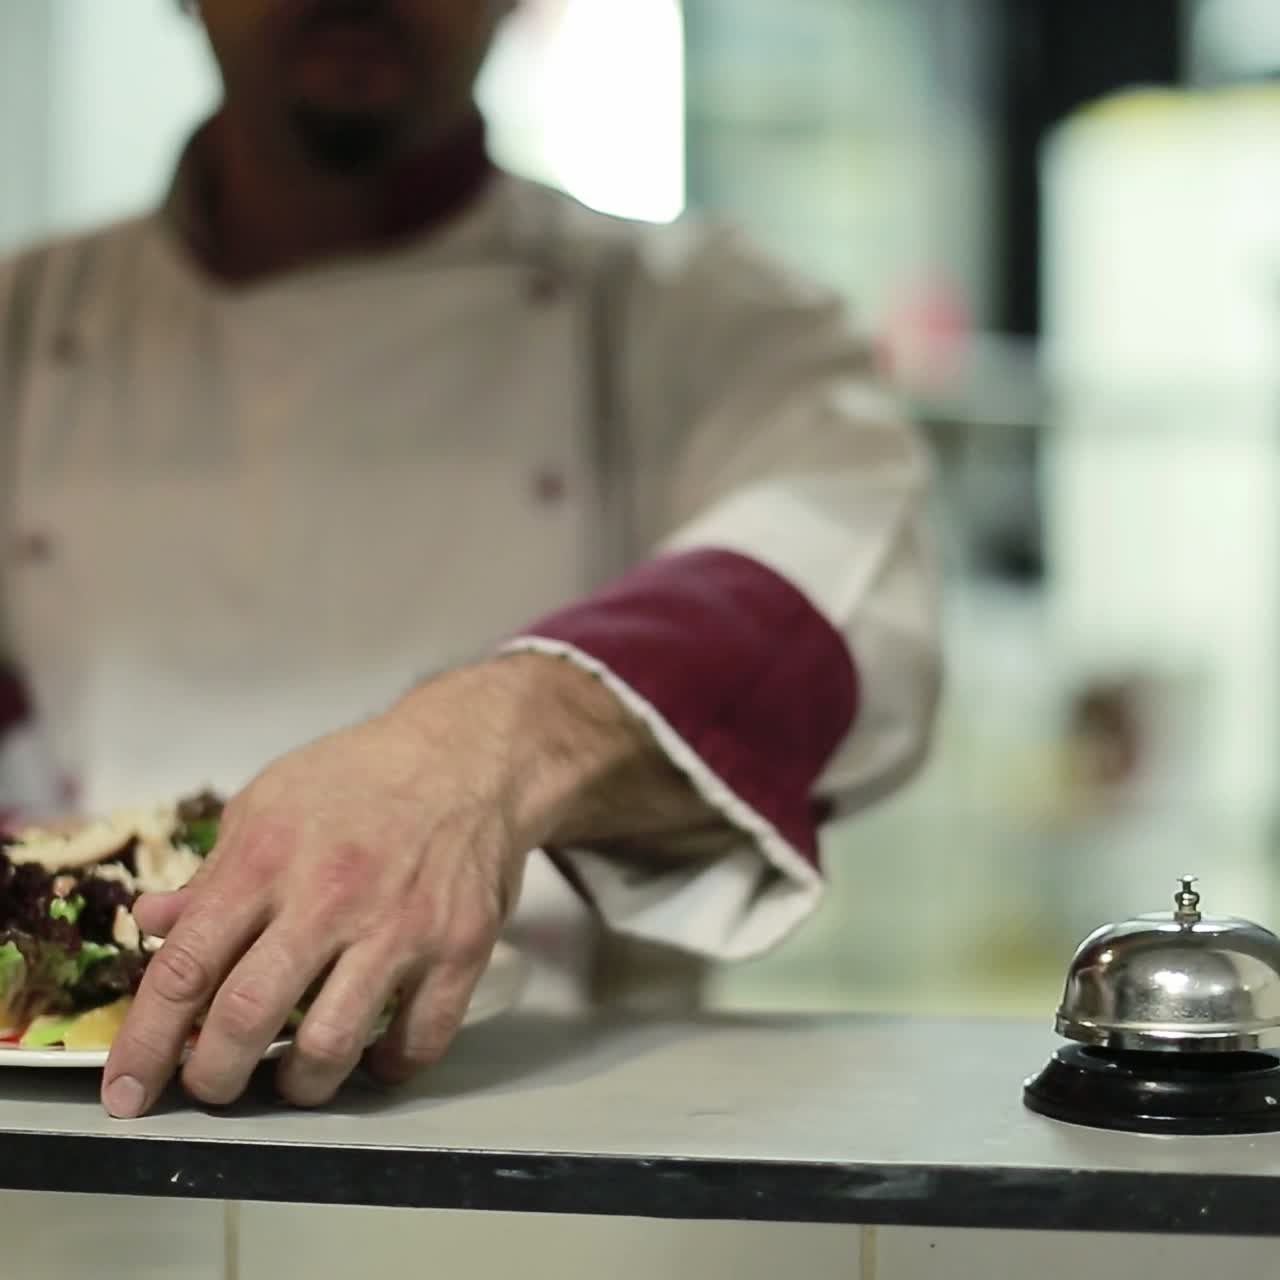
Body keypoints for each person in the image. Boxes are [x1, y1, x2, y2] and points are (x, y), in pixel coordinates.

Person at [0, 0, 940, 1119]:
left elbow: (838, 580)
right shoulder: (25, 322)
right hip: (62, 1136)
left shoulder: (694, 314)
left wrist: (480, 753)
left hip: (533, 1124)